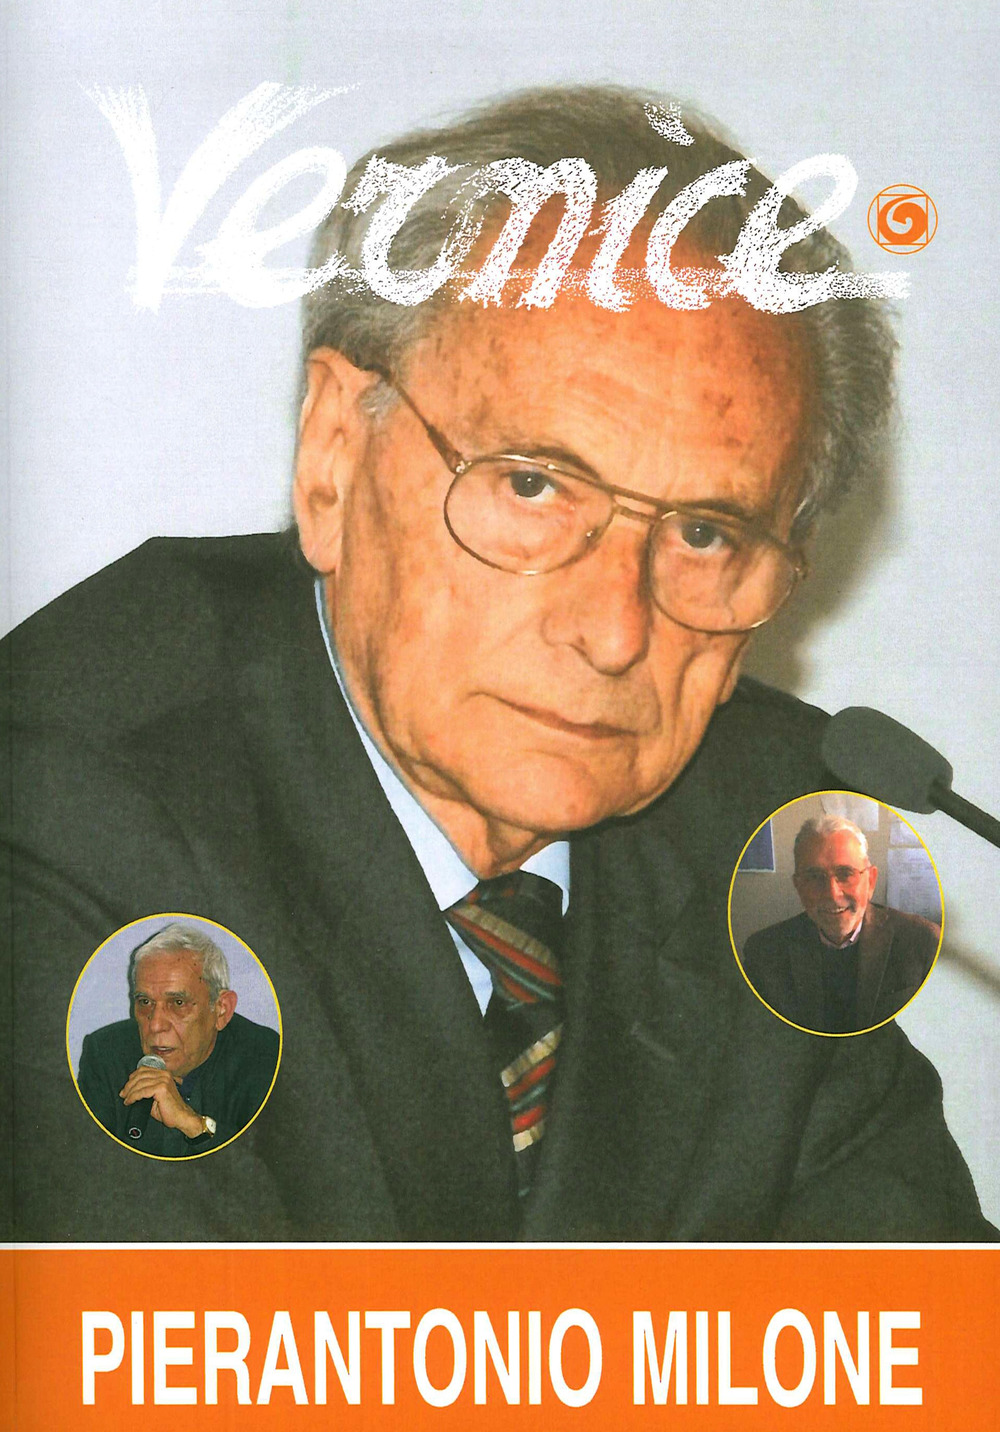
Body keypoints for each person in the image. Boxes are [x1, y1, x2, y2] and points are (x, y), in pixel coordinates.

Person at [1, 86, 993, 1241]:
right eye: (532, 485)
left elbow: (912, 1326)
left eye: (703, 533)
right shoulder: (64, 809)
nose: (613, 630)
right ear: (333, 456)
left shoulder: (775, 841)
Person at [76, 923, 280, 1157]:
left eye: (178, 1003)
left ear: (221, 1010)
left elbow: (268, 1168)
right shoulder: (104, 1053)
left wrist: (192, 1124)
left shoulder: (264, 1057)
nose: (155, 1025)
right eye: (145, 1002)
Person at [741, 817, 941, 1034]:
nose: (832, 894)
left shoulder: (922, 941)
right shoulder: (764, 952)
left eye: (845, 874)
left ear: (870, 881)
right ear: (798, 886)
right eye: (814, 877)